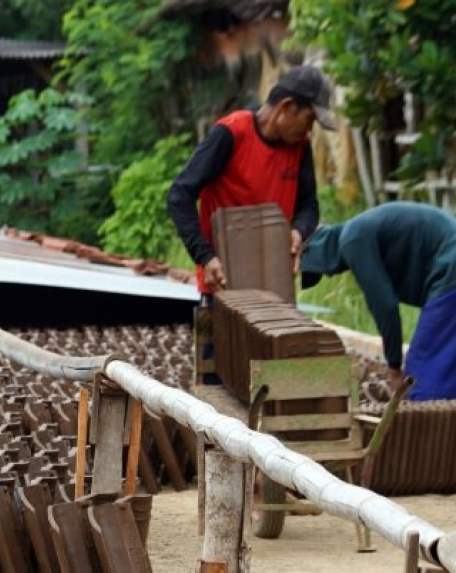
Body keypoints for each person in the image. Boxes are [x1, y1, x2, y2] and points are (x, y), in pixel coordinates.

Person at [167, 64, 337, 295]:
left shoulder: (300, 148)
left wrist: (298, 231)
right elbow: (179, 196)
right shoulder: (231, 133)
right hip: (221, 284)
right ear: (286, 107)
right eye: (308, 119)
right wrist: (205, 257)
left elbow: (308, 205)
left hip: (275, 286)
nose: (309, 130)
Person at [300, 201, 456, 401]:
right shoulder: (359, 230)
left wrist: (394, 368)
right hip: (449, 269)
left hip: (451, 271)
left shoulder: (352, 240)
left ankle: (429, 429)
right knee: (447, 368)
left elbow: (386, 307)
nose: (329, 275)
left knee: (420, 375)